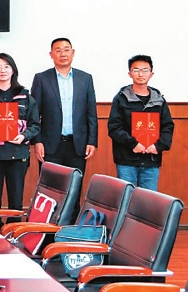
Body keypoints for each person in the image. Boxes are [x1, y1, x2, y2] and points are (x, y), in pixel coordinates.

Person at [31, 37, 97, 220]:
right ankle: (49, 230)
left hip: (77, 144)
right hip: (50, 145)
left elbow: (91, 112)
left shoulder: (85, 78)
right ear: (51, 54)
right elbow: (34, 114)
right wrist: (37, 141)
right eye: (58, 50)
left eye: (66, 49)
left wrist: (92, 141)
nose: (63, 54)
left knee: (75, 190)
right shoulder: (41, 78)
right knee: (50, 190)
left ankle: (70, 230)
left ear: (73, 53)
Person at [0, 53, 40, 231]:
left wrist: (24, 135)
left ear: (13, 70)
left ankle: (13, 231)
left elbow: (35, 125)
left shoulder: (25, 96)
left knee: (16, 198)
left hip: (17, 155)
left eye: (6, 66)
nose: (2, 70)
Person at [108, 55, 174, 191]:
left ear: (151, 74)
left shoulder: (159, 100)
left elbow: (167, 126)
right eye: (136, 70)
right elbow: (114, 127)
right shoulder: (121, 98)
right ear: (130, 73)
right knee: (126, 198)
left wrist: (158, 146)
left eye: (145, 70)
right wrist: (133, 144)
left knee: (148, 200)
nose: (141, 74)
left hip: (151, 160)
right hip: (127, 160)